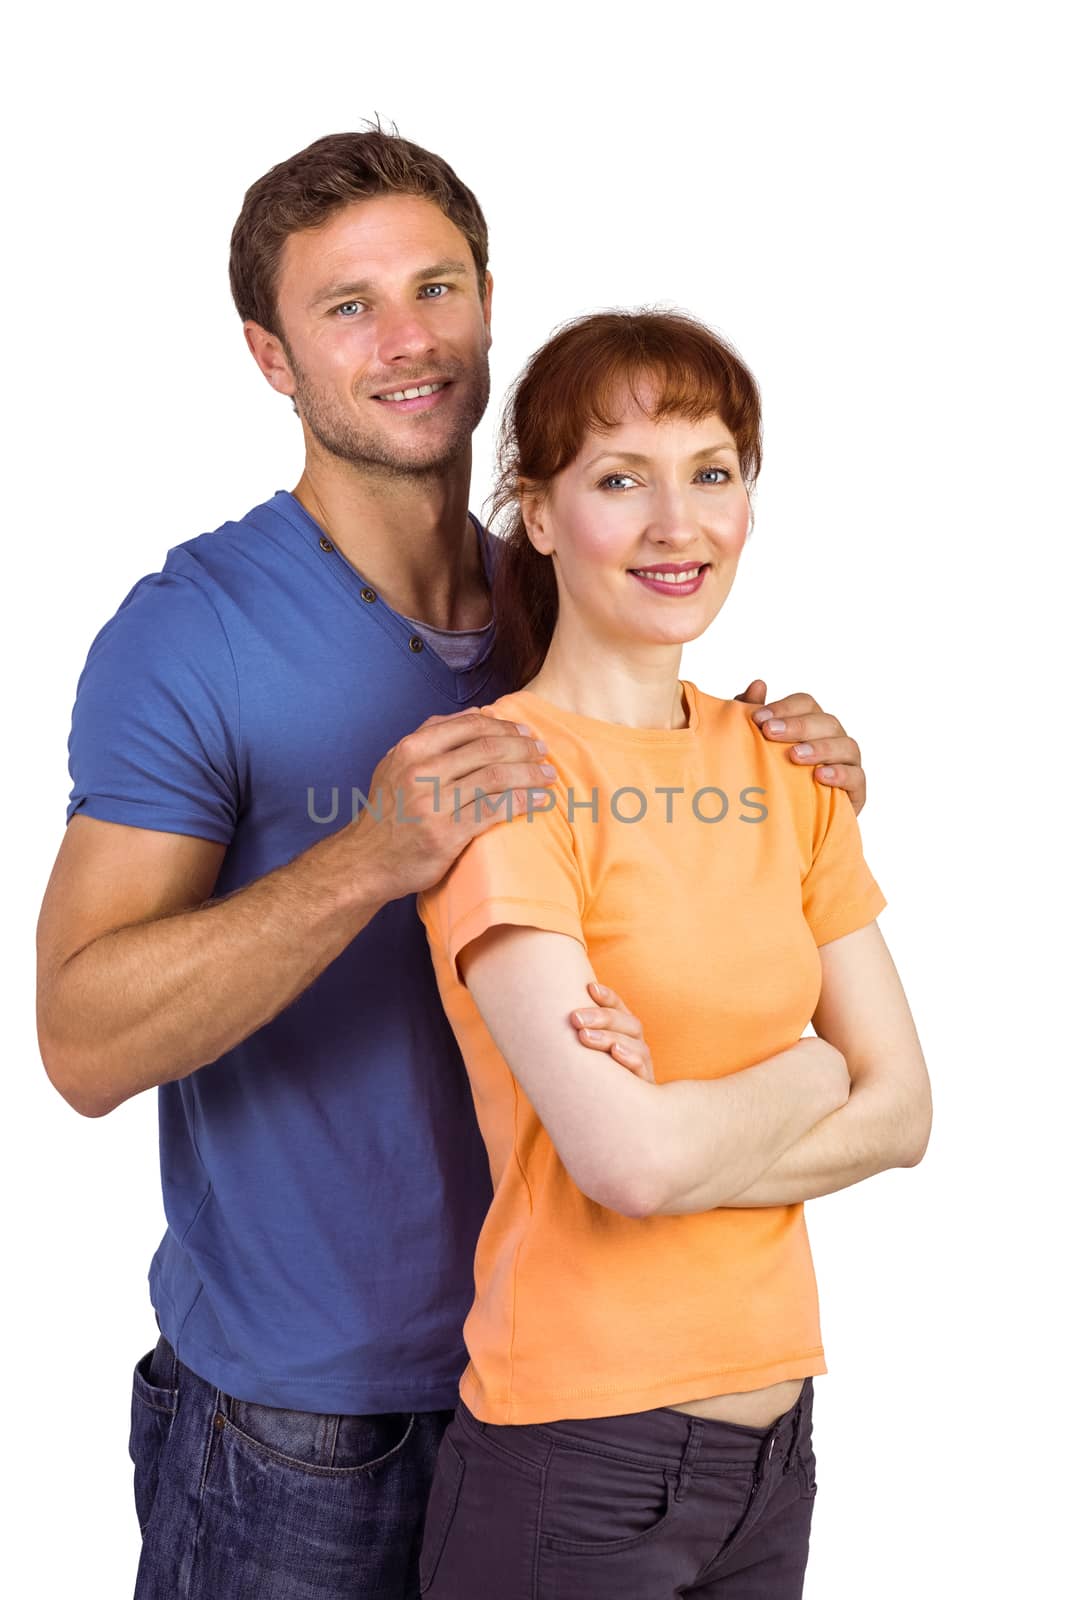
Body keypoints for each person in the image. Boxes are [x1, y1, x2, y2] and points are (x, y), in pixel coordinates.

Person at [35, 129, 876, 1600]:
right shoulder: (193, 634)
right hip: (309, 1419)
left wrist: (775, 756)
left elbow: (679, 867)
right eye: (347, 306)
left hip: (585, 1404)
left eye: (435, 288)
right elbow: (80, 1040)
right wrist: (367, 858)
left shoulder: (582, 590)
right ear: (268, 355)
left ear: (489, 301)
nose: (408, 340)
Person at [414, 309, 932, 1598]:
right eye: (618, 480)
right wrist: (815, 1074)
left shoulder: (786, 765)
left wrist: (704, 1131)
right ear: (536, 513)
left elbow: (910, 1112)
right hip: (574, 1462)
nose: (675, 525)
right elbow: (628, 1163)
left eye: (711, 474)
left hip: (774, 1459)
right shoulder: (507, 784)